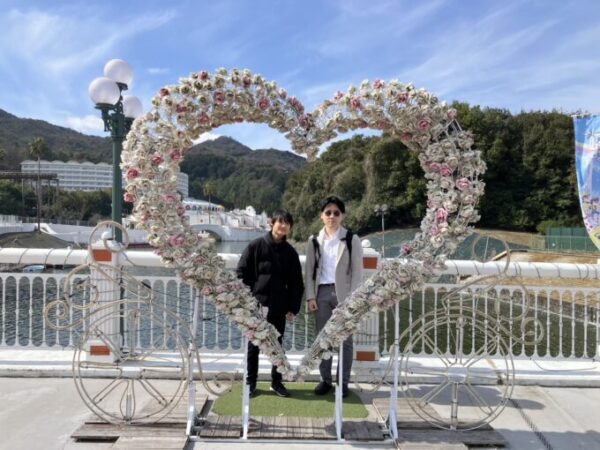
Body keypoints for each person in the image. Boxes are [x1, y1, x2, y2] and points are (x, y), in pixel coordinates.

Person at [236, 210, 304, 397]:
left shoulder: (290, 252)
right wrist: (246, 300)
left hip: (279, 305)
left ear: (290, 228)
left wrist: (293, 308)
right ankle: (251, 382)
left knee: (277, 346)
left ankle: (276, 382)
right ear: (272, 223)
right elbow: (241, 273)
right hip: (256, 305)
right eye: (280, 222)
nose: (283, 226)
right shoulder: (255, 246)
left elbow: (296, 283)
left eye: (287, 223)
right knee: (253, 346)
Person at [305, 196, 363, 398]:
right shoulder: (314, 241)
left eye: (336, 213)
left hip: (344, 295)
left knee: (345, 341)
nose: (332, 216)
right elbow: (309, 272)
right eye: (328, 212)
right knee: (323, 340)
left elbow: (357, 273)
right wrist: (310, 297)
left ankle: (343, 382)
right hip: (321, 293)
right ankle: (325, 380)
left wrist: (353, 300)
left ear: (342, 216)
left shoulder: (351, 239)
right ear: (322, 216)